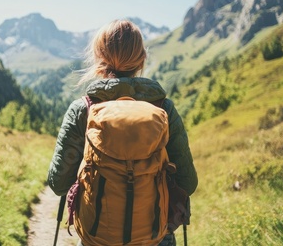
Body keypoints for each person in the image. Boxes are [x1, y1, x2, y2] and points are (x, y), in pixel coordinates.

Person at [47, 19, 198, 245]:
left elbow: (58, 183)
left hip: (97, 236)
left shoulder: (83, 110)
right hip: (156, 236)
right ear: (141, 59)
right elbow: (188, 183)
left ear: (100, 58)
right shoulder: (163, 109)